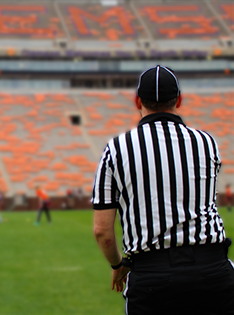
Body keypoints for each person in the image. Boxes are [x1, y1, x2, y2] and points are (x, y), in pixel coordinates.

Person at [92, 65, 234, 315]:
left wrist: (118, 264)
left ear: (137, 101)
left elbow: (102, 231)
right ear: (179, 100)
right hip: (212, 271)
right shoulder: (206, 142)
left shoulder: (116, 148)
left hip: (153, 277)